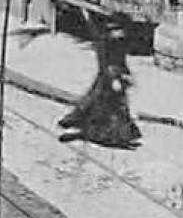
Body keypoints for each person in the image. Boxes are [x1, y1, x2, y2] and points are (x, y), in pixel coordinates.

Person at [59, 18, 141, 150]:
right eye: (116, 30)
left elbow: (121, 62)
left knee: (111, 107)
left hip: (113, 77)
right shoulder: (107, 43)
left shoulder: (116, 43)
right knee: (109, 108)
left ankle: (103, 132)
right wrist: (114, 78)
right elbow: (106, 63)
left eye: (120, 30)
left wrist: (125, 75)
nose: (119, 34)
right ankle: (107, 134)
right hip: (110, 78)